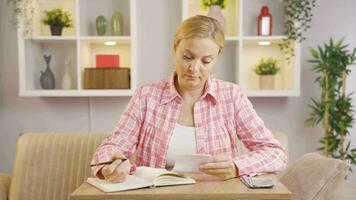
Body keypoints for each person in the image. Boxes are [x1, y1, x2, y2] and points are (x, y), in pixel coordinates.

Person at [90, 15, 287, 183]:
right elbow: (112, 146)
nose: (194, 69)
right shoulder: (146, 96)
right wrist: (111, 164)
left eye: (206, 61)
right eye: (187, 57)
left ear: (216, 57)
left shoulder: (232, 96)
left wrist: (237, 167)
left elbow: (274, 152)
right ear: (174, 47)